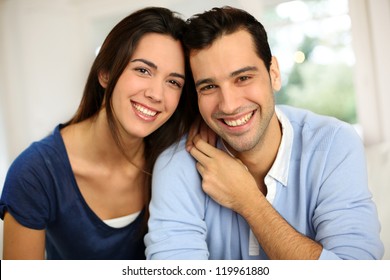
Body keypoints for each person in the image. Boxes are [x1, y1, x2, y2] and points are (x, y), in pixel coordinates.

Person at [145, 6, 384, 260]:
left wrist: (249, 201)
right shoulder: (177, 165)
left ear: (274, 74)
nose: (229, 105)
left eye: (243, 78)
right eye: (209, 86)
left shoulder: (334, 144)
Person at [0, 7, 197, 259]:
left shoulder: (176, 159)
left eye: (173, 82)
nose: (156, 95)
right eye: (143, 70)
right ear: (105, 73)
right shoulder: (34, 173)